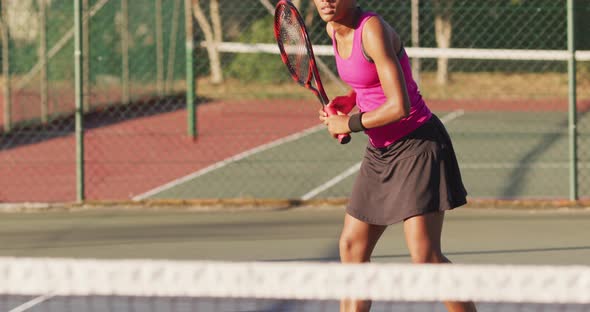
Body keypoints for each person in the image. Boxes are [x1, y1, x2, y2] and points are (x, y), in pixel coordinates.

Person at [313, 1, 477, 311]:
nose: (325, 0)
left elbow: (399, 106)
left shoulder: (371, 30)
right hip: (381, 150)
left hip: (417, 144)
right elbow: (367, 83)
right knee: (352, 248)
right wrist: (349, 102)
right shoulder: (332, 28)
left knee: (425, 258)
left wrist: (349, 123)